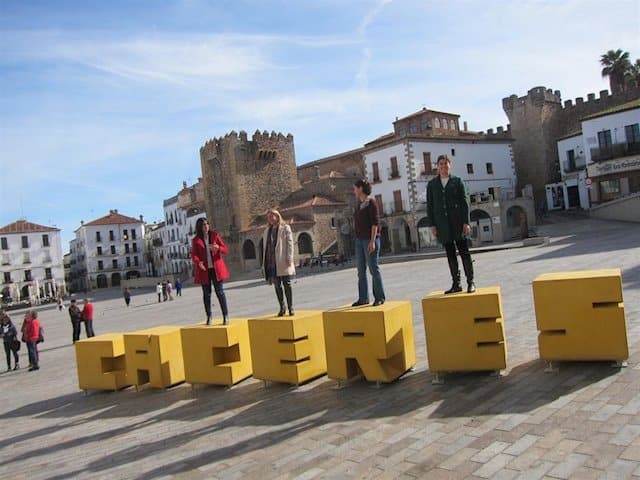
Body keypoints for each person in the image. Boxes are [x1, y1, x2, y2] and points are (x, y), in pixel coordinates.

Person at [427, 154, 475, 294]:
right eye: (440, 164)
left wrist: (466, 222)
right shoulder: (432, 185)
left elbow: (465, 202)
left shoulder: (458, 181)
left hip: (458, 223)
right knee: (450, 255)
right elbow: (430, 206)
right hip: (443, 226)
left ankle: (471, 282)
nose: (443, 166)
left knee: (464, 253)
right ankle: (456, 283)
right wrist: (433, 225)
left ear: (450, 165)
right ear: (437, 167)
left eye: (445, 163)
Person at [352, 179, 385, 307]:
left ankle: (379, 297)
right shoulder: (358, 204)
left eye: (355, 188)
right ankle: (363, 298)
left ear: (360, 189)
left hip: (370, 239)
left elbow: (375, 223)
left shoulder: (371, 203)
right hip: (359, 240)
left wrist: (372, 241)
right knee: (361, 270)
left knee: (373, 268)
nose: (354, 191)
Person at [191, 218, 230, 325]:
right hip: (204, 270)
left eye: (207, 224)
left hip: (216, 269)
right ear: (200, 226)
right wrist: (198, 262)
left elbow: (225, 249)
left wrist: (218, 248)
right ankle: (209, 316)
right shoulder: (196, 240)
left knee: (220, 292)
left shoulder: (215, 235)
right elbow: (194, 254)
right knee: (206, 294)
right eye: (204, 224)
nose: (206, 226)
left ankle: (225, 315)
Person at [262, 209, 296, 316]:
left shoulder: (285, 228)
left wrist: (289, 257)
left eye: (272, 216)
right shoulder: (267, 230)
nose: (271, 219)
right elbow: (265, 247)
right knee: (277, 285)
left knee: (287, 284)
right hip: (272, 261)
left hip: (282, 260)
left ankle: (291, 307)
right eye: (269, 217)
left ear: (277, 216)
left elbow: (290, 243)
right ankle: (282, 306)